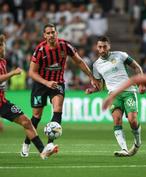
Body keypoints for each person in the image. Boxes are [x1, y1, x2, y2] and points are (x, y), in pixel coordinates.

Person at [21, 23, 100, 157]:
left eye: (53, 32)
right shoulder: (40, 50)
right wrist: (46, 82)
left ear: (57, 33)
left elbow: (79, 61)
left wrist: (92, 77)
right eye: (48, 33)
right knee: (36, 116)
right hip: (41, 84)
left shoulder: (65, 46)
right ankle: (27, 143)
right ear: (44, 35)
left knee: (58, 109)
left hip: (57, 83)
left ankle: (50, 143)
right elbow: (32, 73)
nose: (51, 35)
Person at [0, 34, 58, 159]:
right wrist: (12, 73)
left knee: (26, 121)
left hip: (2, 103)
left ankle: (43, 151)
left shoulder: (3, 61)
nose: (4, 48)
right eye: (3, 46)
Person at [86, 36, 146, 157]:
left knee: (132, 120)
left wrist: (142, 83)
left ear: (109, 46)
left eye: (104, 46)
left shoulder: (121, 55)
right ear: (96, 48)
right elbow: (100, 86)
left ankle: (137, 142)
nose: (102, 49)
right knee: (117, 120)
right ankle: (123, 149)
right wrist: (92, 90)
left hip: (128, 91)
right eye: (100, 47)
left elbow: (137, 67)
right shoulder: (96, 65)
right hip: (113, 95)